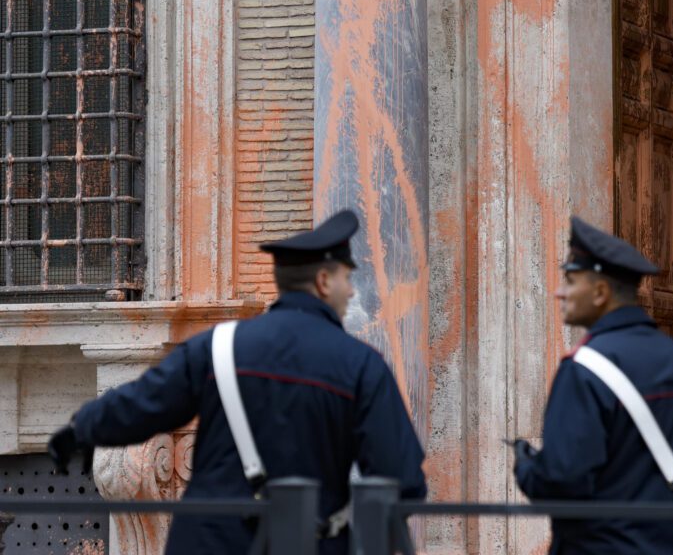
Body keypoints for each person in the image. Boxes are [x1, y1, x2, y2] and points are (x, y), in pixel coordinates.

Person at [46, 210, 427, 554]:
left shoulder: (219, 346)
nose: (353, 289)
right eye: (348, 278)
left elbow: (141, 405)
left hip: (208, 542)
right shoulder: (361, 366)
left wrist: (79, 431)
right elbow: (403, 478)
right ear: (324, 281)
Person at [513, 216, 673, 555]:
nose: (559, 292)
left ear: (600, 292)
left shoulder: (584, 369)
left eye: (569, 280)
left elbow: (562, 483)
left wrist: (525, 466)